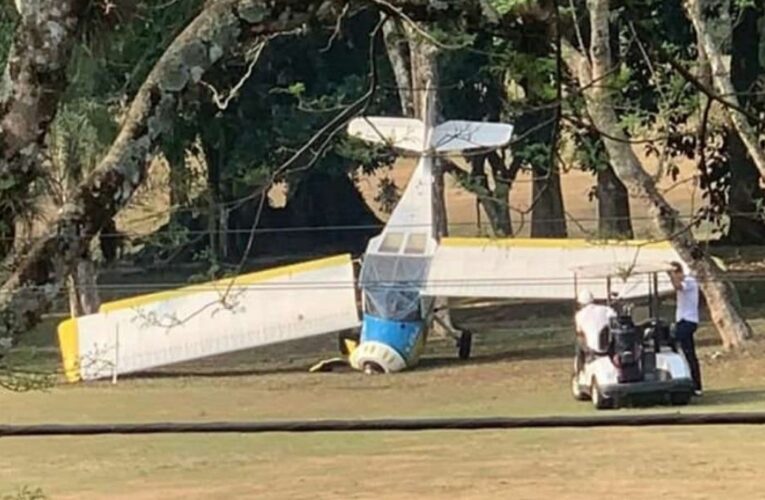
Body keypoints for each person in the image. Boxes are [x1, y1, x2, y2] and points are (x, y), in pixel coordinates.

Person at [668, 261, 702, 396]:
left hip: (688, 321)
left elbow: (677, 286)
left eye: (675, 273)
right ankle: (693, 384)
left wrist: (670, 275)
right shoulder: (685, 281)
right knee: (689, 353)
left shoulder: (690, 281)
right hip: (681, 321)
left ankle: (694, 383)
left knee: (672, 341)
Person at [574, 289, 617, 371]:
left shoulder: (579, 315)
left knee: (579, 340)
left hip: (592, 350)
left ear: (581, 303)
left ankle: (580, 371)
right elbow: (614, 316)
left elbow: (580, 335)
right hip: (608, 347)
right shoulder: (605, 309)